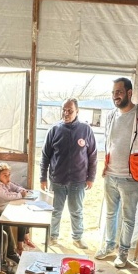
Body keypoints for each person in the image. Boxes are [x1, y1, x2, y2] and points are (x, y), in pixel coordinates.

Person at [96, 77, 138, 268]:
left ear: (129, 93)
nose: (115, 96)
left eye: (119, 92)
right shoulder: (110, 116)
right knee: (110, 214)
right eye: (114, 92)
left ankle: (123, 253)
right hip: (111, 175)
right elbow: (110, 144)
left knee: (128, 217)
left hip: (130, 178)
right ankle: (108, 246)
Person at [40, 99, 97, 248]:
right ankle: (52, 237)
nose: (66, 113)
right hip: (57, 179)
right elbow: (45, 155)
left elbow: (92, 155)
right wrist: (43, 177)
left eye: (69, 110)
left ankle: (77, 238)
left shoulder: (86, 130)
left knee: (76, 210)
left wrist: (91, 177)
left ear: (77, 111)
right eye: (64, 110)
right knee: (55, 211)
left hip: (78, 180)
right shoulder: (54, 130)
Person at [0, 162, 35, 254]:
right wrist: (20, 194)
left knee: (25, 213)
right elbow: (7, 196)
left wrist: (21, 190)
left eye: (9, 175)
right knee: (21, 218)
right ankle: (20, 246)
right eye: (4, 175)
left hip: (6, 209)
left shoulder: (6, 183)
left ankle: (25, 238)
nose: (8, 177)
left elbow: (16, 187)